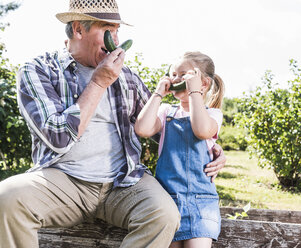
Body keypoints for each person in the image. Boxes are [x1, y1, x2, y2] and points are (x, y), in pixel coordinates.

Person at [0, 1, 226, 248]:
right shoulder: (39, 70)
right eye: (109, 30)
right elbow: (58, 137)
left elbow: (158, 127)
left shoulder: (127, 76)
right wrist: (98, 83)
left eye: (118, 31)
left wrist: (208, 144)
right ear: (78, 29)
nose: (116, 40)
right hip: (63, 181)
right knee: (7, 198)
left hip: (123, 181)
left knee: (163, 215)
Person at [135, 51, 225, 248]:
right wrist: (158, 93)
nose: (176, 79)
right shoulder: (166, 111)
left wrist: (194, 92)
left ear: (204, 83)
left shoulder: (213, 114)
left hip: (201, 202)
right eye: (173, 74)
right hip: (168, 200)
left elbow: (201, 130)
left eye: (183, 75)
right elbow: (142, 129)